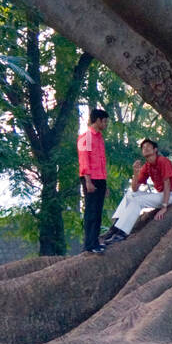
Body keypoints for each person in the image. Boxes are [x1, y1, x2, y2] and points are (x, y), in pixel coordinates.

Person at [101, 138, 172, 244]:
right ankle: (115, 228)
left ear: (155, 150)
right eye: (143, 148)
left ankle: (121, 234)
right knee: (130, 194)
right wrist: (136, 172)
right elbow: (135, 189)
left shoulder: (162, 161)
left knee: (138, 201)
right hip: (161, 194)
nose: (145, 148)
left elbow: (167, 184)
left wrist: (164, 207)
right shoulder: (147, 166)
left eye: (148, 146)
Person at [78, 109, 109, 255]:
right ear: (97, 120)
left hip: (100, 178)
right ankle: (89, 244)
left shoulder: (100, 138)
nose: (106, 124)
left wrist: (105, 183)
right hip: (90, 178)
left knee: (98, 212)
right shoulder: (86, 136)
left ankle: (95, 242)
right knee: (91, 211)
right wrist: (88, 181)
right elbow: (84, 160)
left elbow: (102, 161)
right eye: (104, 121)